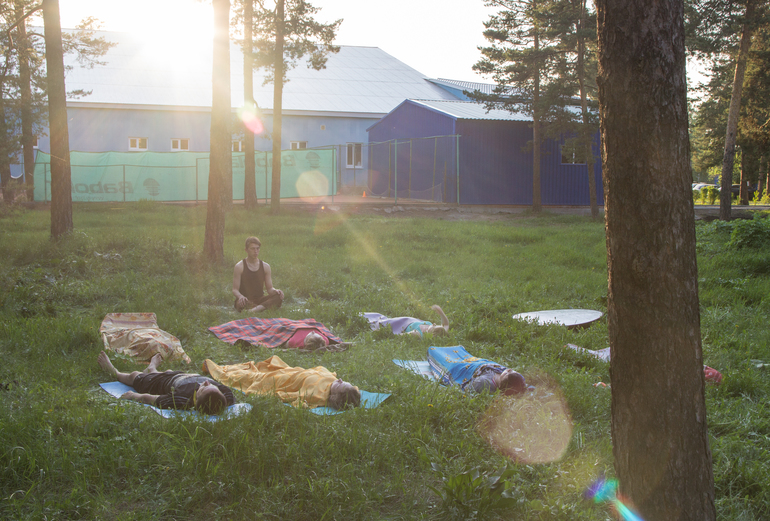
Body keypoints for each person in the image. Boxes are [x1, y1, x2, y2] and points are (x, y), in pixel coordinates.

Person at [97, 351, 235, 415]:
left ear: (196, 399)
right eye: (212, 386)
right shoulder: (224, 394)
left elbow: (152, 399)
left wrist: (133, 396)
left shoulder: (182, 399)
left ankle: (115, 372)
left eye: (204, 388)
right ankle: (152, 369)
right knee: (167, 371)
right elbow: (224, 397)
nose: (207, 383)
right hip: (180, 375)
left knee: (134, 376)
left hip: (160, 382)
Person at [203, 355, 360, 410]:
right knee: (269, 365)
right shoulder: (334, 381)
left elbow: (292, 397)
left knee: (251, 377)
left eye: (341, 384)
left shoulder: (316, 395)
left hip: (282, 381)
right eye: (343, 381)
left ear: (335, 395)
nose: (340, 379)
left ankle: (214, 368)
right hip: (291, 371)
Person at [427, 345, 527, 396]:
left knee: (434, 352)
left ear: (503, 383)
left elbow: (468, 389)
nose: (509, 369)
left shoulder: (484, 383)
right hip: (474, 362)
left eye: (508, 372)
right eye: (512, 371)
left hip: (461, 369)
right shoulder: (513, 378)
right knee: (459, 352)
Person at [232, 236, 284, 313]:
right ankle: (262, 308)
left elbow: (270, 289)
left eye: (257, 248)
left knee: (278, 296)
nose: (255, 251)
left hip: (260, 299)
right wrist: (240, 296)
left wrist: (276, 291)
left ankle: (253, 310)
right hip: (245, 299)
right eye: (252, 249)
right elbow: (235, 290)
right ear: (246, 250)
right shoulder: (239, 266)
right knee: (240, 303)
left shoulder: (265, 266)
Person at [364, 305, 450, 338]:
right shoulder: (441, 331)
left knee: (381, 321)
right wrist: (441, 312)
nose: (434, 323)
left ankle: (378, 328)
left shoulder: (418, 334)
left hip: (402, 325)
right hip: (409, 320)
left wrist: (383, 334)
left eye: (434, 326)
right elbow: (446, 324)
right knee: (379, 317)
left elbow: (399, 336)